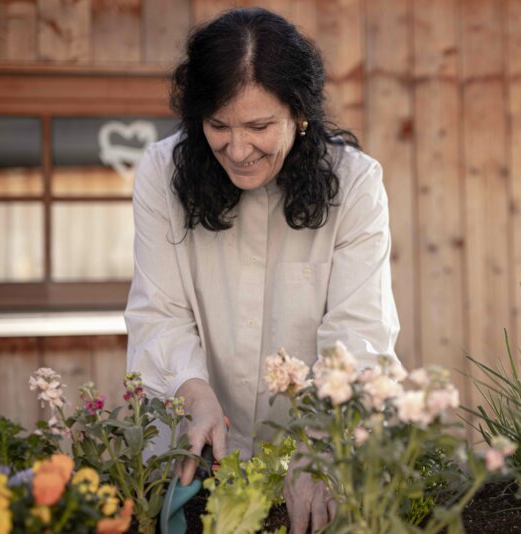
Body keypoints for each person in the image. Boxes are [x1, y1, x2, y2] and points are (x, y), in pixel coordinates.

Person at [124, 7, 400, 533]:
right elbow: (159, 313)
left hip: (322, 449)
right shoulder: (162, 173)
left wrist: (321, 443)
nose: (238, 148)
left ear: (299, 114)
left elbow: (358, 332)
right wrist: (195, 394)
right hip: (202, 446)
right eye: (218, 125)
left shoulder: (356, 184)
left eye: (259, 126)